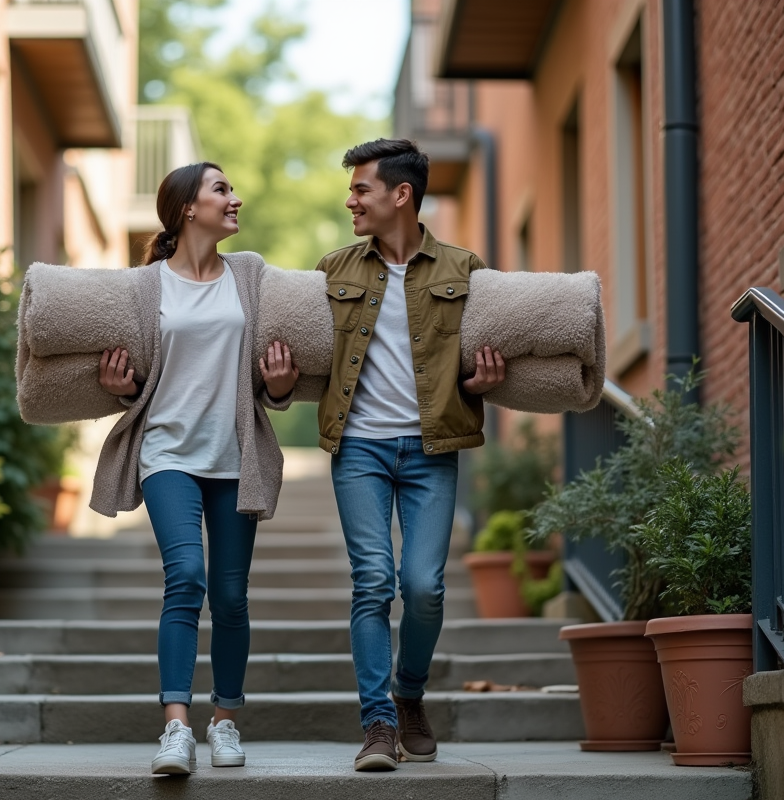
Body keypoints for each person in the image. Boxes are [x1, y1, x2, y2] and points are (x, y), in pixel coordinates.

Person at [93, 162, 298, 775]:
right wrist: (120, 390)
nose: (236, 198)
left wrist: (280, 387)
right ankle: (176, 729)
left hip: (234, 456)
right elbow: (140, 374)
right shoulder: (145, 285)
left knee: (231, 597)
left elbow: (271, 372)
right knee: (186, 576)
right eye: (222, 190)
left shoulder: (251, 275)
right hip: (166, 453)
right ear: (188, 208)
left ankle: (227, 720)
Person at [314, 138, 506, 771]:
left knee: (424, 587)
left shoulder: (465, 268)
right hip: (360, 447)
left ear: (401, 195)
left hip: (433, 447)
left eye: (360, 189)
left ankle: (410, 693)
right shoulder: (332, 270)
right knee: (371, 582)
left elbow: (481, 362)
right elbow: (308, 364)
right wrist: (279, 384)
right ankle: (377, 724)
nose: (351, 201)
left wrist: (483, 381)